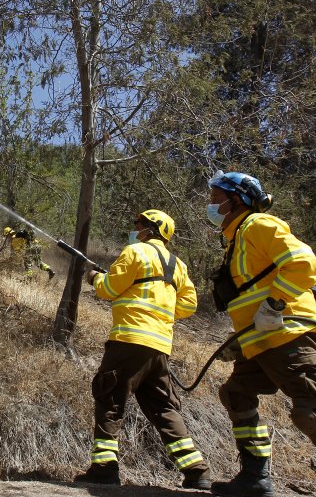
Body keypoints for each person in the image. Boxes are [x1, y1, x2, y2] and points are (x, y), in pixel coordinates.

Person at [207, 171, 316, 497]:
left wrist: (275, 304)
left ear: (237, 200)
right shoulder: (237, 239)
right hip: (259, 340)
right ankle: (255, 479)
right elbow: (250, 293)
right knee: (236, 394)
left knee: (310, 408)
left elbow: (304, 263)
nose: (211, 204)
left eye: (216, 197)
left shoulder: (260, 225)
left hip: (287, 334)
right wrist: (240, 339)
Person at [75, 209, 210, 489]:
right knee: (163, 408)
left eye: (139, 224)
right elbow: (188, 306)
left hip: (128, 341)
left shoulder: (135, 251)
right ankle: (197, 472)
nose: (135, 228)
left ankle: (104, 468)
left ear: (151, 229)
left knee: (110, 398)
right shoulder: (178, 265)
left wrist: (95, 279)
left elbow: (110, 289)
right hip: (159, 348)